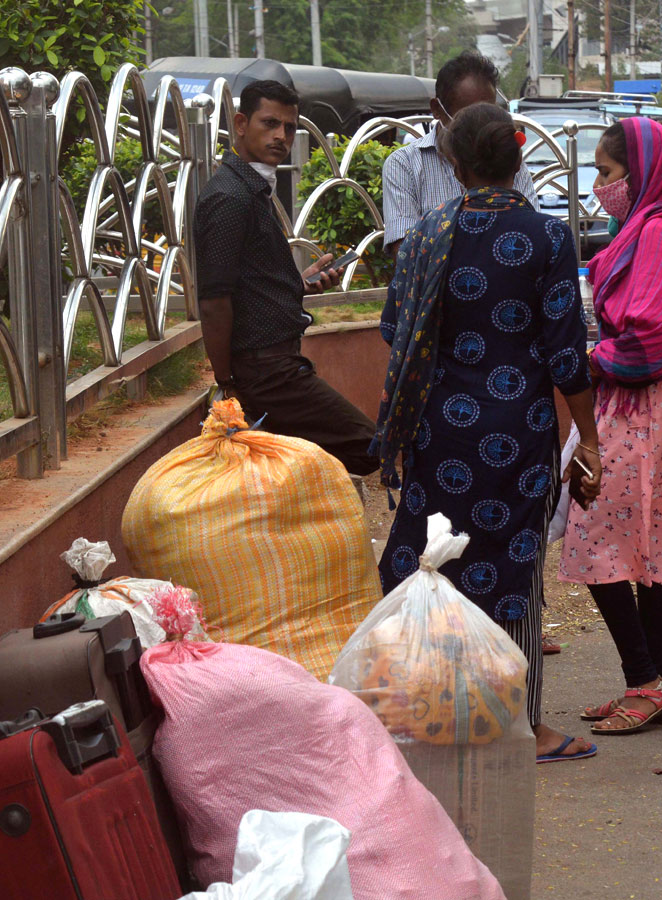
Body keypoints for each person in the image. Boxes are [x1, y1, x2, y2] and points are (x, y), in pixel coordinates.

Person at [375, 102, 602, 764]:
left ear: (453, 163)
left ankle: (435, 713)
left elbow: (396, 332)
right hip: (518, 431)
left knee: (439, 568)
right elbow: (567, 355)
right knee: (514, 569)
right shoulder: (548, 238)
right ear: (518, 156)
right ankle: (520, 727)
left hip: (437, 432)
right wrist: (588, 437)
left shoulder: (423, 240)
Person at [559, 118, 662, 734]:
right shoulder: (654, 226)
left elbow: (648, 336)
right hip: (649, 399)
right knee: (647, 535)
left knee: (595, 528)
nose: (601, 185)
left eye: (607, 171)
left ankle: (644, 678)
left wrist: (585, 363)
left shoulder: (654, 232)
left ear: (641, 172)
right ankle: (654, 685)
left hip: (637, 398)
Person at [194, 79, 378, 476]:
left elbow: (250, 280)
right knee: (367, 445)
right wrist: (227, 382)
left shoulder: (251, 189)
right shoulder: (230, 197)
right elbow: (213, 301)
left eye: (290, 127)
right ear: (241, 124)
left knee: (277, 467)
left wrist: (298, 283)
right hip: (265, 374)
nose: (281, 136)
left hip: (278, 364)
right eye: (270, 123)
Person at [382, 51, 537, 256]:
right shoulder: (404, 165)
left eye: (487, 114)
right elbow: (404, 252)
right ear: (437, 109)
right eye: (466, 117)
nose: (478, 127)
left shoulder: (505, 161)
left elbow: (532, 235)